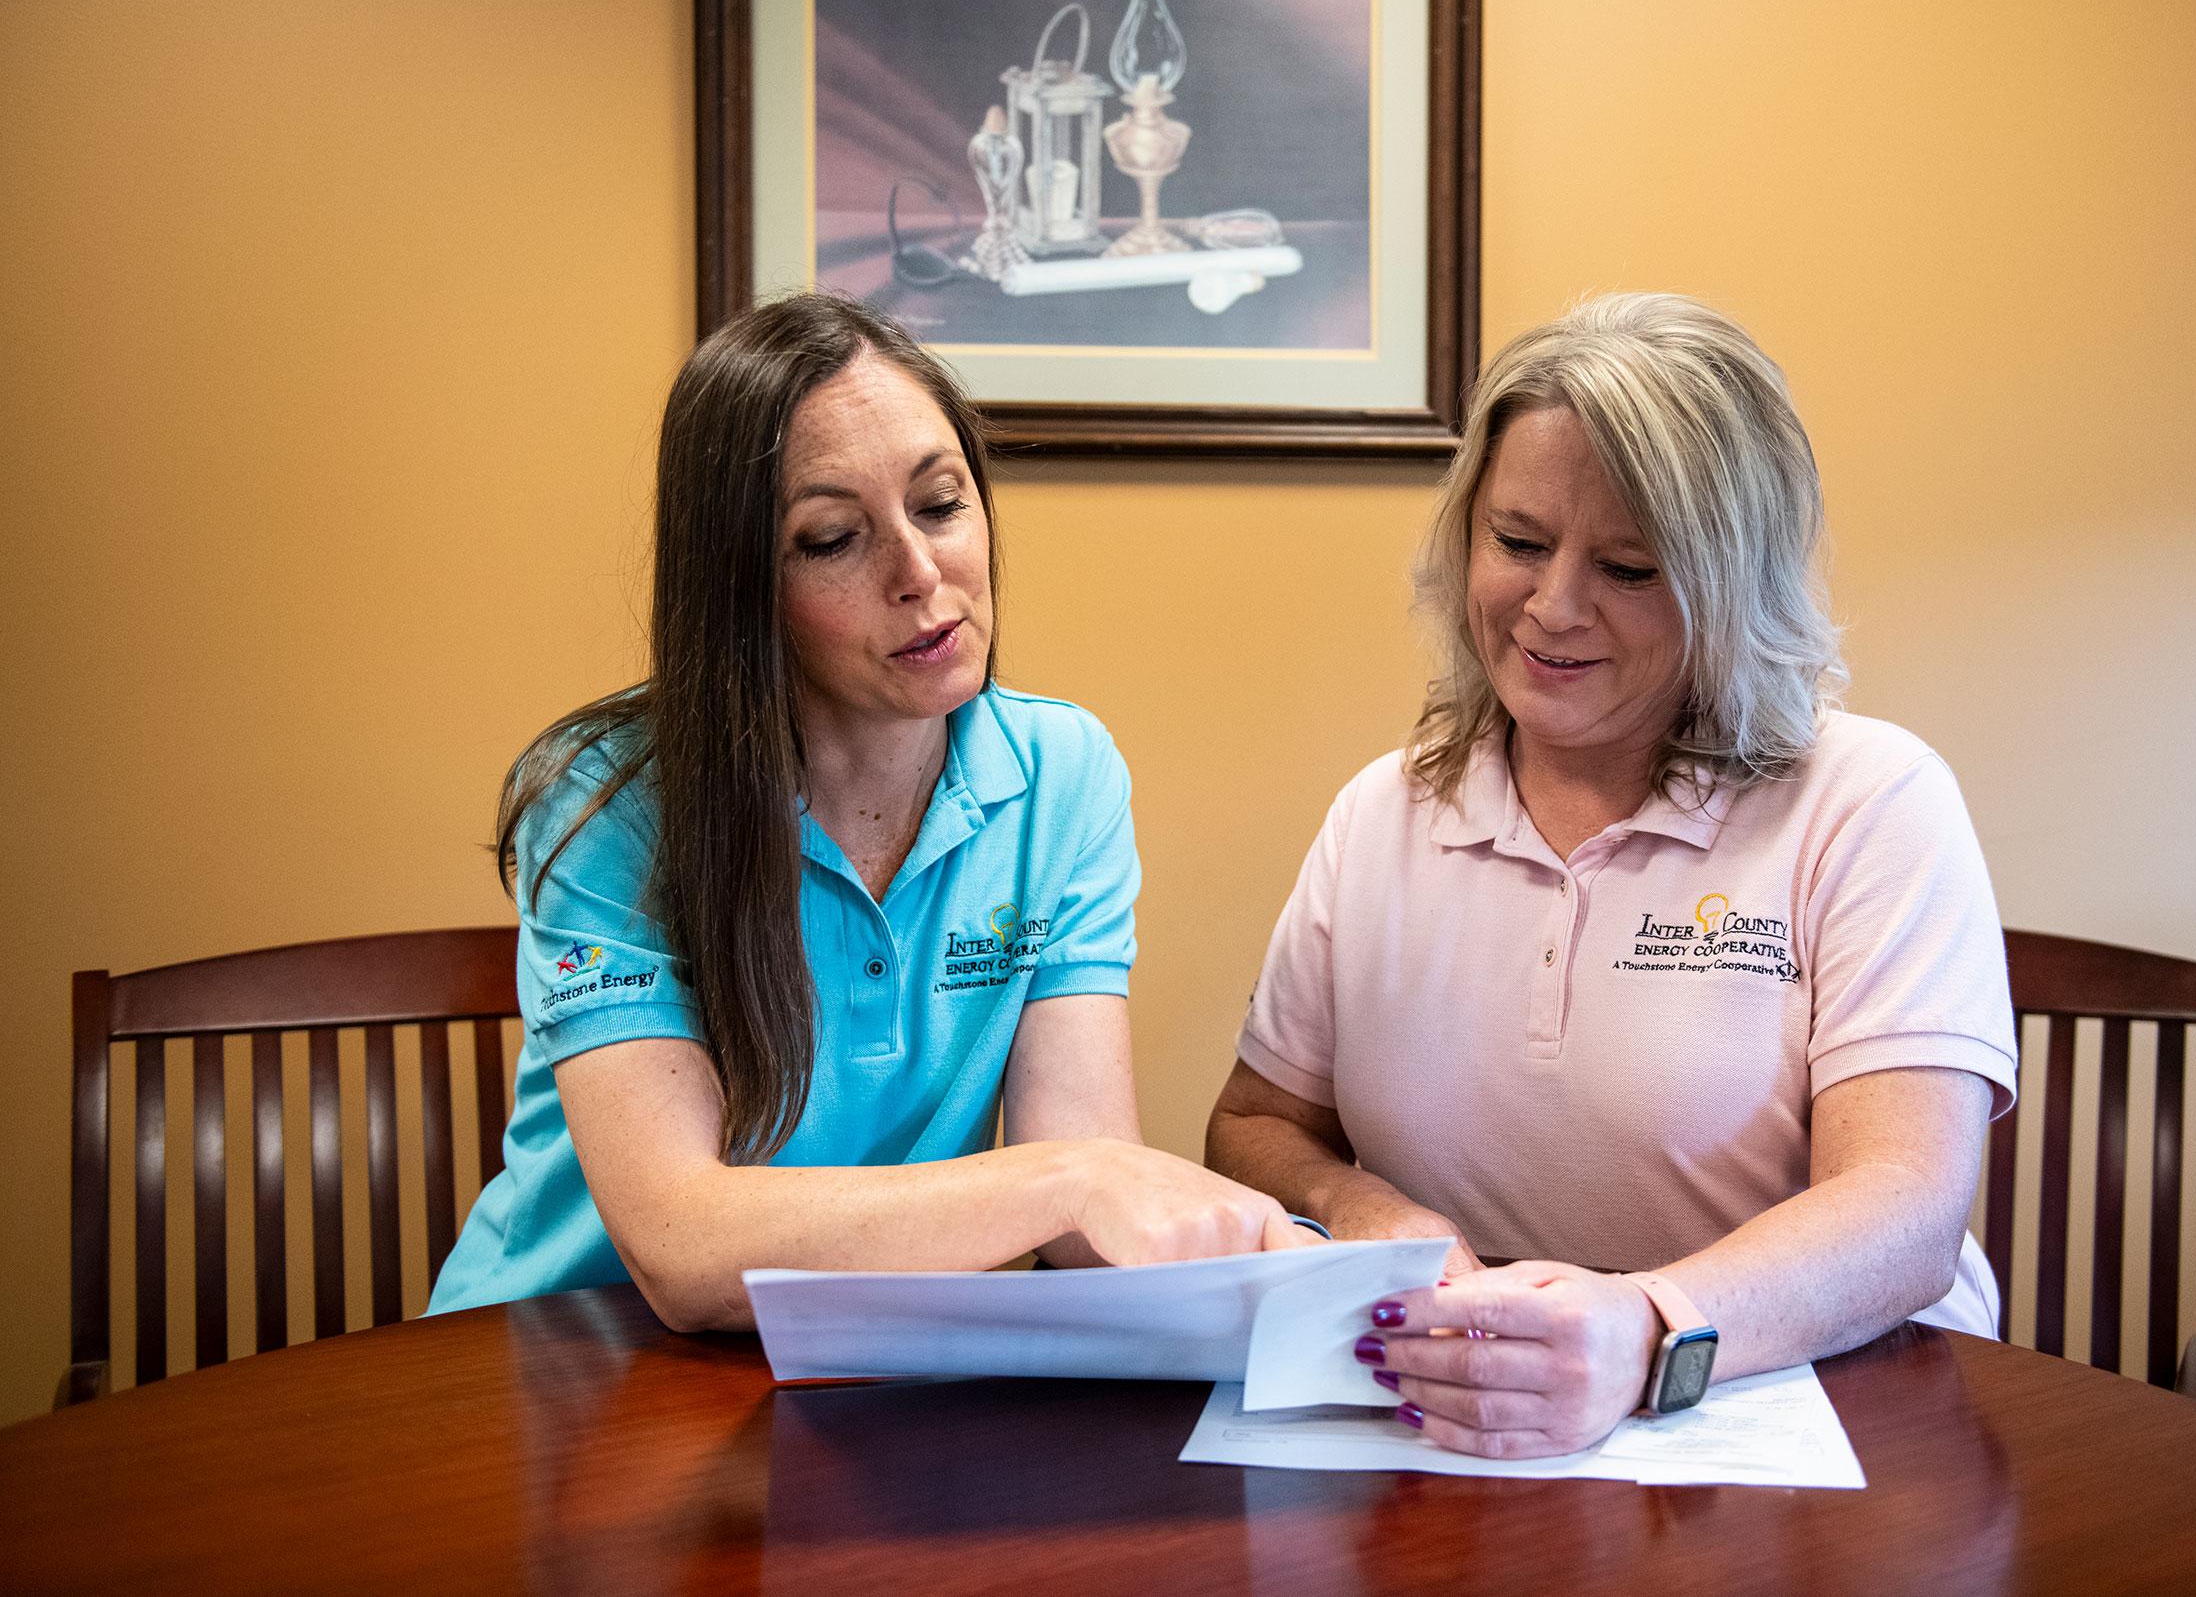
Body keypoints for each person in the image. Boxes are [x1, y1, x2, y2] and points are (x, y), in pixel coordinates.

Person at [1205, 293, 2018, 1459]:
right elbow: (1249, 1124)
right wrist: (1367, 1210)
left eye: (1629, 567)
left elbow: (1906, 1208)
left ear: (1731, 584)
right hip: (1479, 1416)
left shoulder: (1869, 798)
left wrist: (1647, 1329)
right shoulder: (1384, 811)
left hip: (1821, 1415)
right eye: (1519, 541)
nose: (1552, 607)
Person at [431, 292, 1306, 1328]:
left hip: (865, 1371)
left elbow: (1080, 1228)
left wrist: (1276, 1258)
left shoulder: (1063, 773)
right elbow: (680, 1246)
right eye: (834, 537)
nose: (921, 573)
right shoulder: (605, 801)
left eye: (940, 506)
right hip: (562, 1370)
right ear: (741, 585)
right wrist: (1071, 1180)